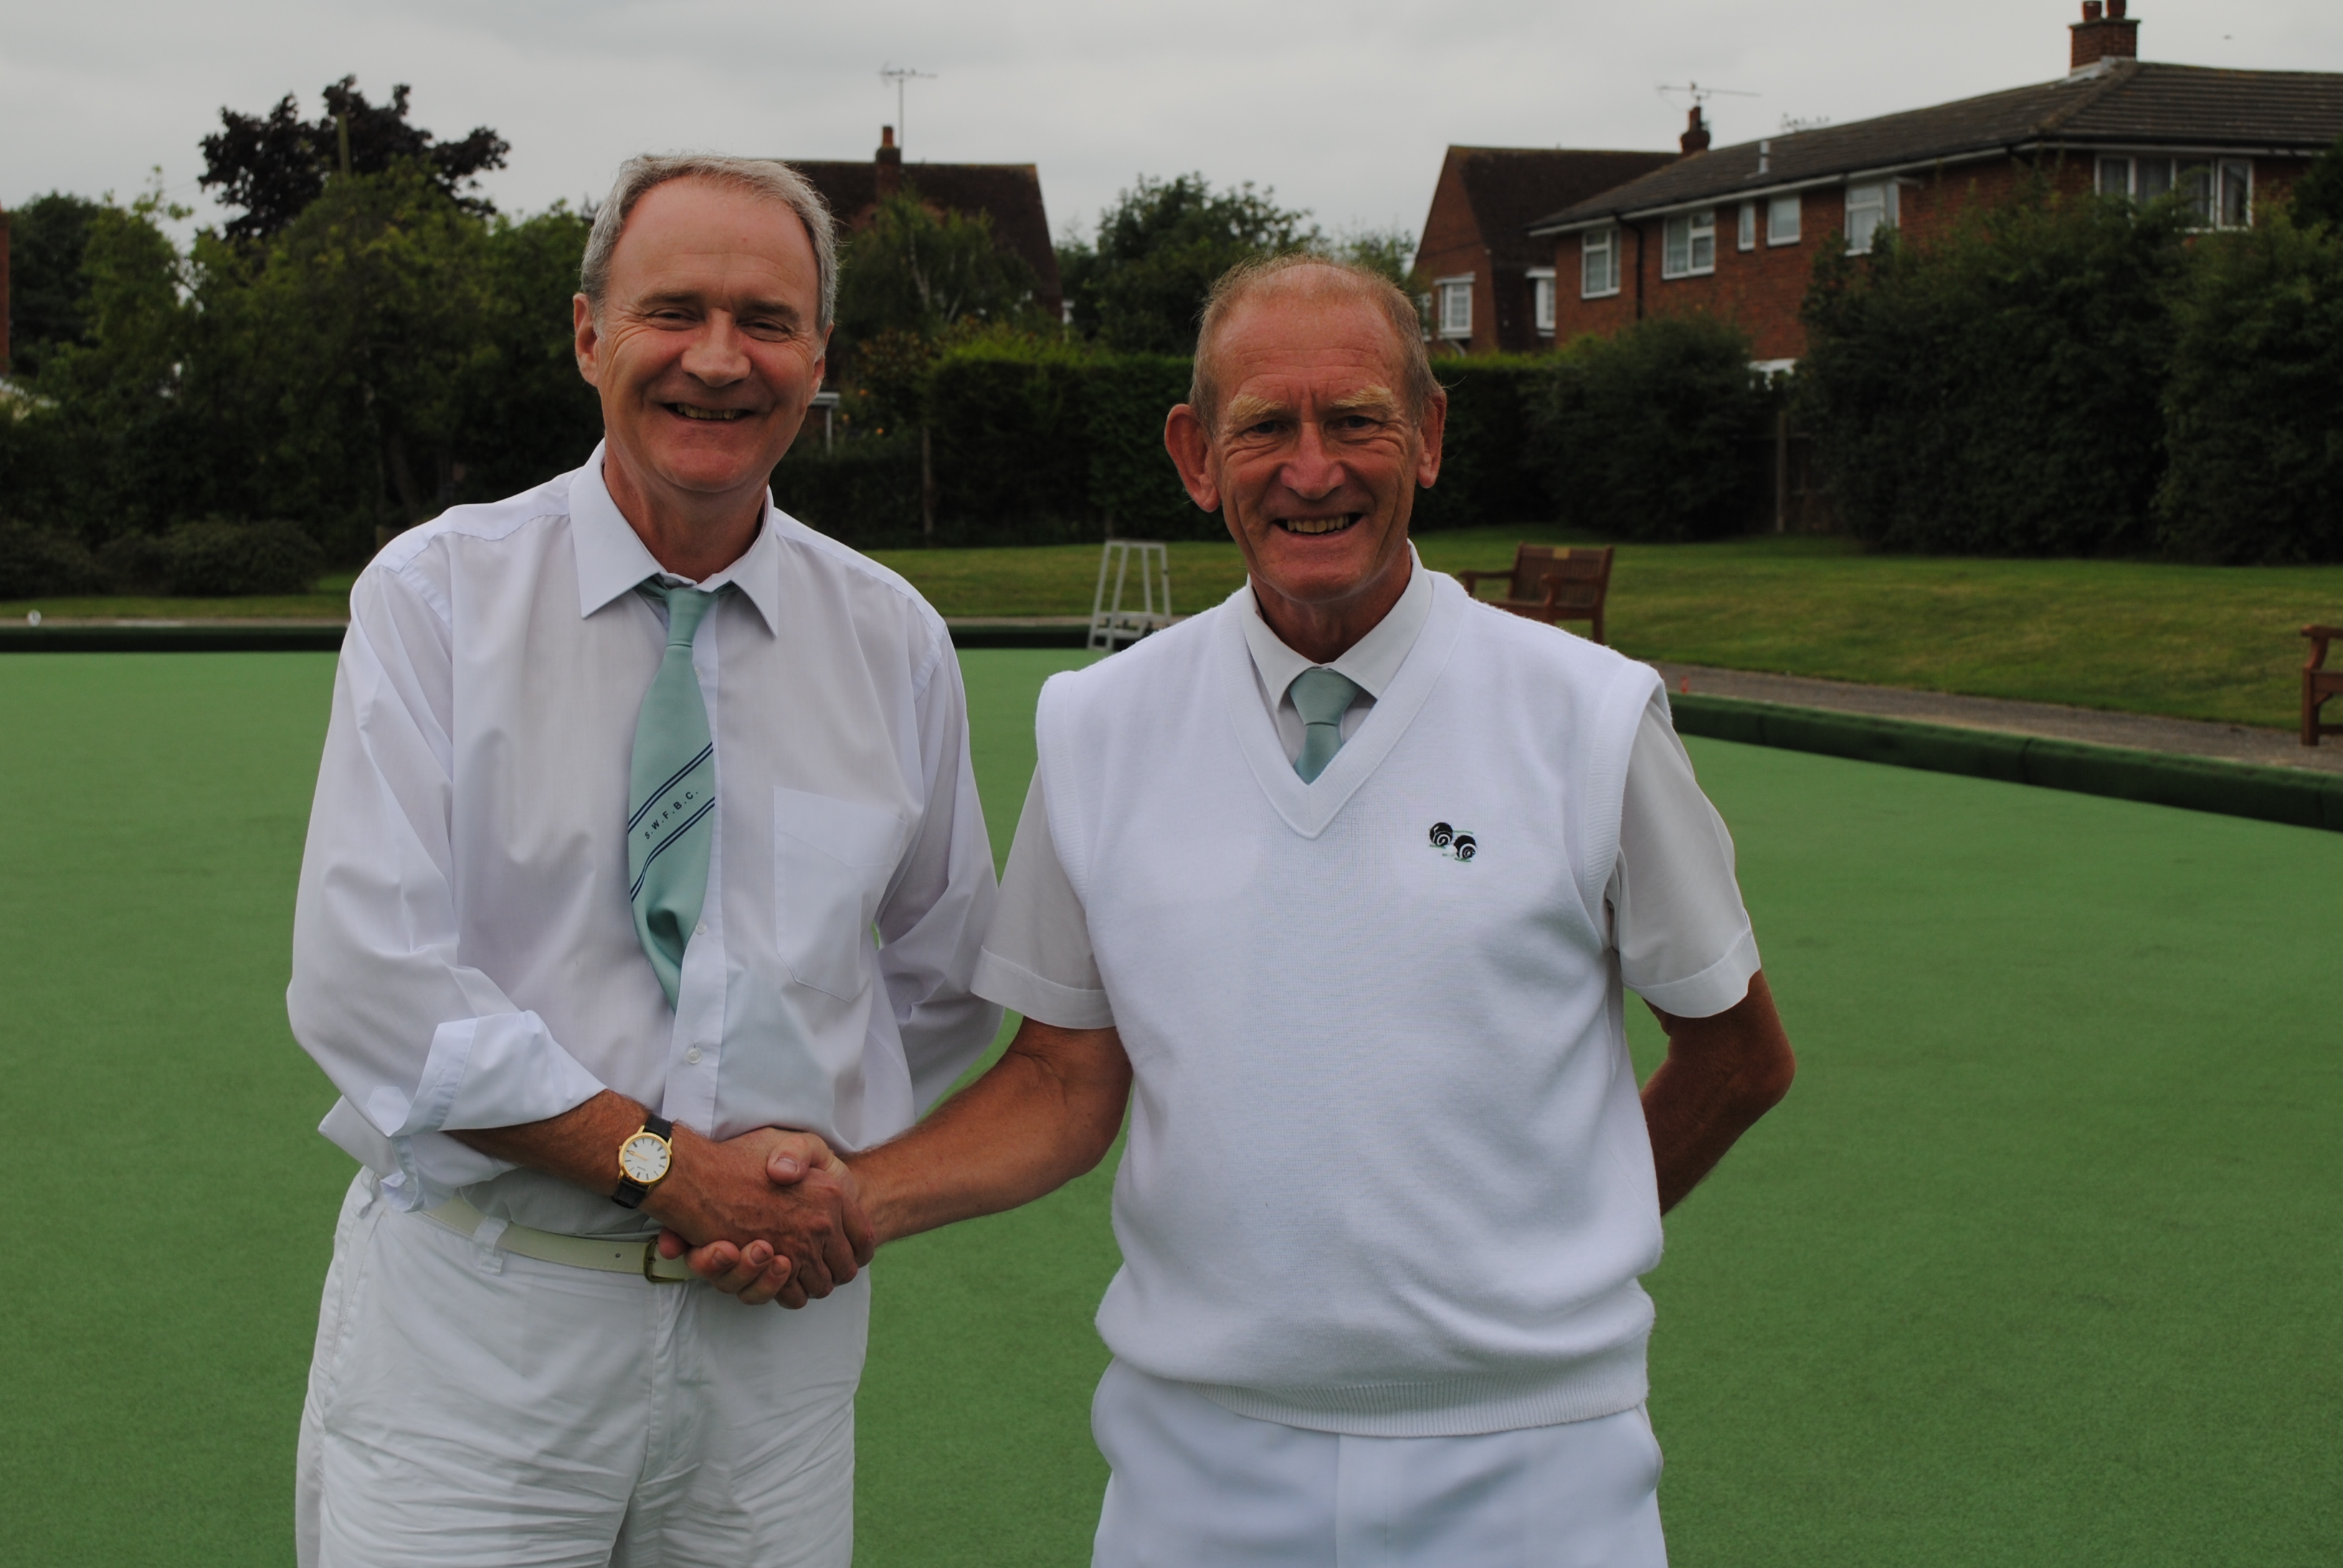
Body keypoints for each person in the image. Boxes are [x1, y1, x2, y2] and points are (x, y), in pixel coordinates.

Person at [699, 254, 1795, 1564]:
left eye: (1358, 420)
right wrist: (853, 1200)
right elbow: (1059, 1077)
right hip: (1195, 1467)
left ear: (1430, 435)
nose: (1312, 470)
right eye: (1267, 425)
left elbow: (1739, 1054)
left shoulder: (1593, 716)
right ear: (1196, 456)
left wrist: (1559, 1246)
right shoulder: (1099, 723)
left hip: (1537, 1466)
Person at [285, 155, 1001, 1568]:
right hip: (483, 1330)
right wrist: (663, 1164)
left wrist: (782, 1165)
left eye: (766, 321)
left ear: (817, 359)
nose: (718, 361)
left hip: (772, 1341)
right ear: (587, 335)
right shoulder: (436, 596)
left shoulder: (892, 638)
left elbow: (943, 969)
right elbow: (372, 984)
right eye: (674, 311)